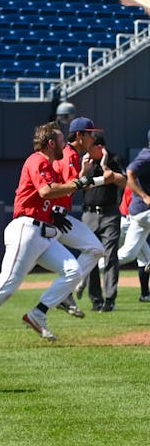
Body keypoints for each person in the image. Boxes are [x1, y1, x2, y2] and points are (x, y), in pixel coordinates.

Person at [0, 122, 95, 351]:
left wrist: (80, 179)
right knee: (9, 282)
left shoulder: (49, 165)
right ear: (51, 143)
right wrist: (78, 182)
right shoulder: (37, 159)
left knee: (73, 270)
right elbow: (46, 191)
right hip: (26, 228)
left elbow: (59, 191)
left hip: (43, 234)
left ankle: (38, 313)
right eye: (61, 140)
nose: (64, 144)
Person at [52, 117, 107, 318]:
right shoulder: (70, 154)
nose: (93, 137)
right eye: (90, 133)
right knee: (15, 273)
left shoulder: (71, 153)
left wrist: (86, 174)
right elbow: (68, 187)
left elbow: (70, 184)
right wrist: (98, 178)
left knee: (95, 249)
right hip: (52, 218)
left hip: (57, 216)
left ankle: (65, 294)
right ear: (79, 135)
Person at [76, 134, 126, 312]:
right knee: (91, 256)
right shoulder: (86, 162)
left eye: (92, 147)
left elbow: (124, 182)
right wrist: (84, 170)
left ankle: (109, 299)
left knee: (110, 256)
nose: (89, 150)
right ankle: (95, 299)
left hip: (110, 214)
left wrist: (105, 166)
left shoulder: (114, 159)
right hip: (89, 214)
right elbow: (74, 184)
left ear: (101, 147)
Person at [116, 128, 150, 305]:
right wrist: (145, 196)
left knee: (127, 254)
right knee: (143, 257)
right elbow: (130, 172)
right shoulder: (146, 157)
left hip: (136, 215)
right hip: (140, 212)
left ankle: (95, 265)